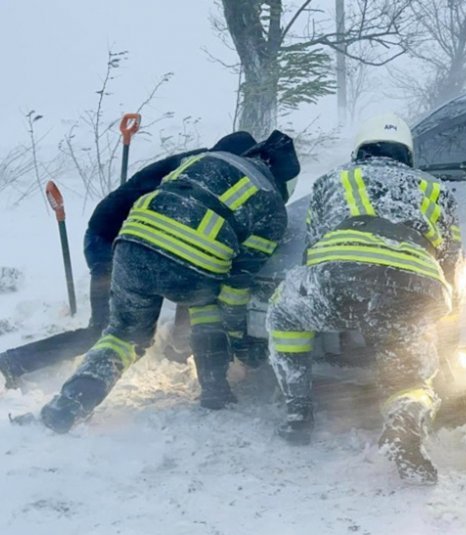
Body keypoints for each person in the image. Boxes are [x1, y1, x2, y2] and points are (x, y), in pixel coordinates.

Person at [39, 130, 300, 433]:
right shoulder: (271, 205)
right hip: (192, 266)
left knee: (123, 335)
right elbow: (236, 285)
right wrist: (239, 341)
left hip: (131, 247)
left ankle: (71, 402)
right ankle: (215, 391)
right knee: (207, 305)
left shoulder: (203, 160)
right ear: (283, 182)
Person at [267, 113, 462, 484]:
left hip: (341, 276)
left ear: (359, 149)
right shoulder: (438, 189)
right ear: (408, 154)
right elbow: (452, 264)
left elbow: (313, 248)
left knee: (285, 313)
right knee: (411, 376)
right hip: (414, 287)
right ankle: (405, 421)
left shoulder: (334, 179)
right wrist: (443, 323)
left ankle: (298, 410)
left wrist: (331, 298)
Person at [0, 132, 257, 388]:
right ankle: (13, 362)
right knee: (104, 330)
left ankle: (178, 349)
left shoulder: (201, 165)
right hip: (111, 241)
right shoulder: (204, 173)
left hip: (129, 238)